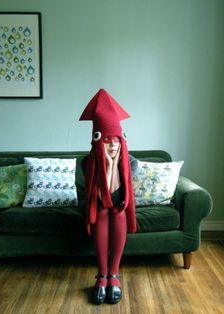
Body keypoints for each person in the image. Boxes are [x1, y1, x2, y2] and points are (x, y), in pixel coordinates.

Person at [79, 88, 137, 305]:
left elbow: (118, 198)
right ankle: (102, 275)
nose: (113, 145)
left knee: (118, 212)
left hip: (119, 206)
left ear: (122, 139)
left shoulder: (131, 162)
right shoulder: (88, 163)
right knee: (104, 211)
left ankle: (114, 274)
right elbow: (104, 197)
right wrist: (110, 165)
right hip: (97, 207)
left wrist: (115, 164)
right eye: (107, 140)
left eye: (116, 140)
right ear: (97, 141)